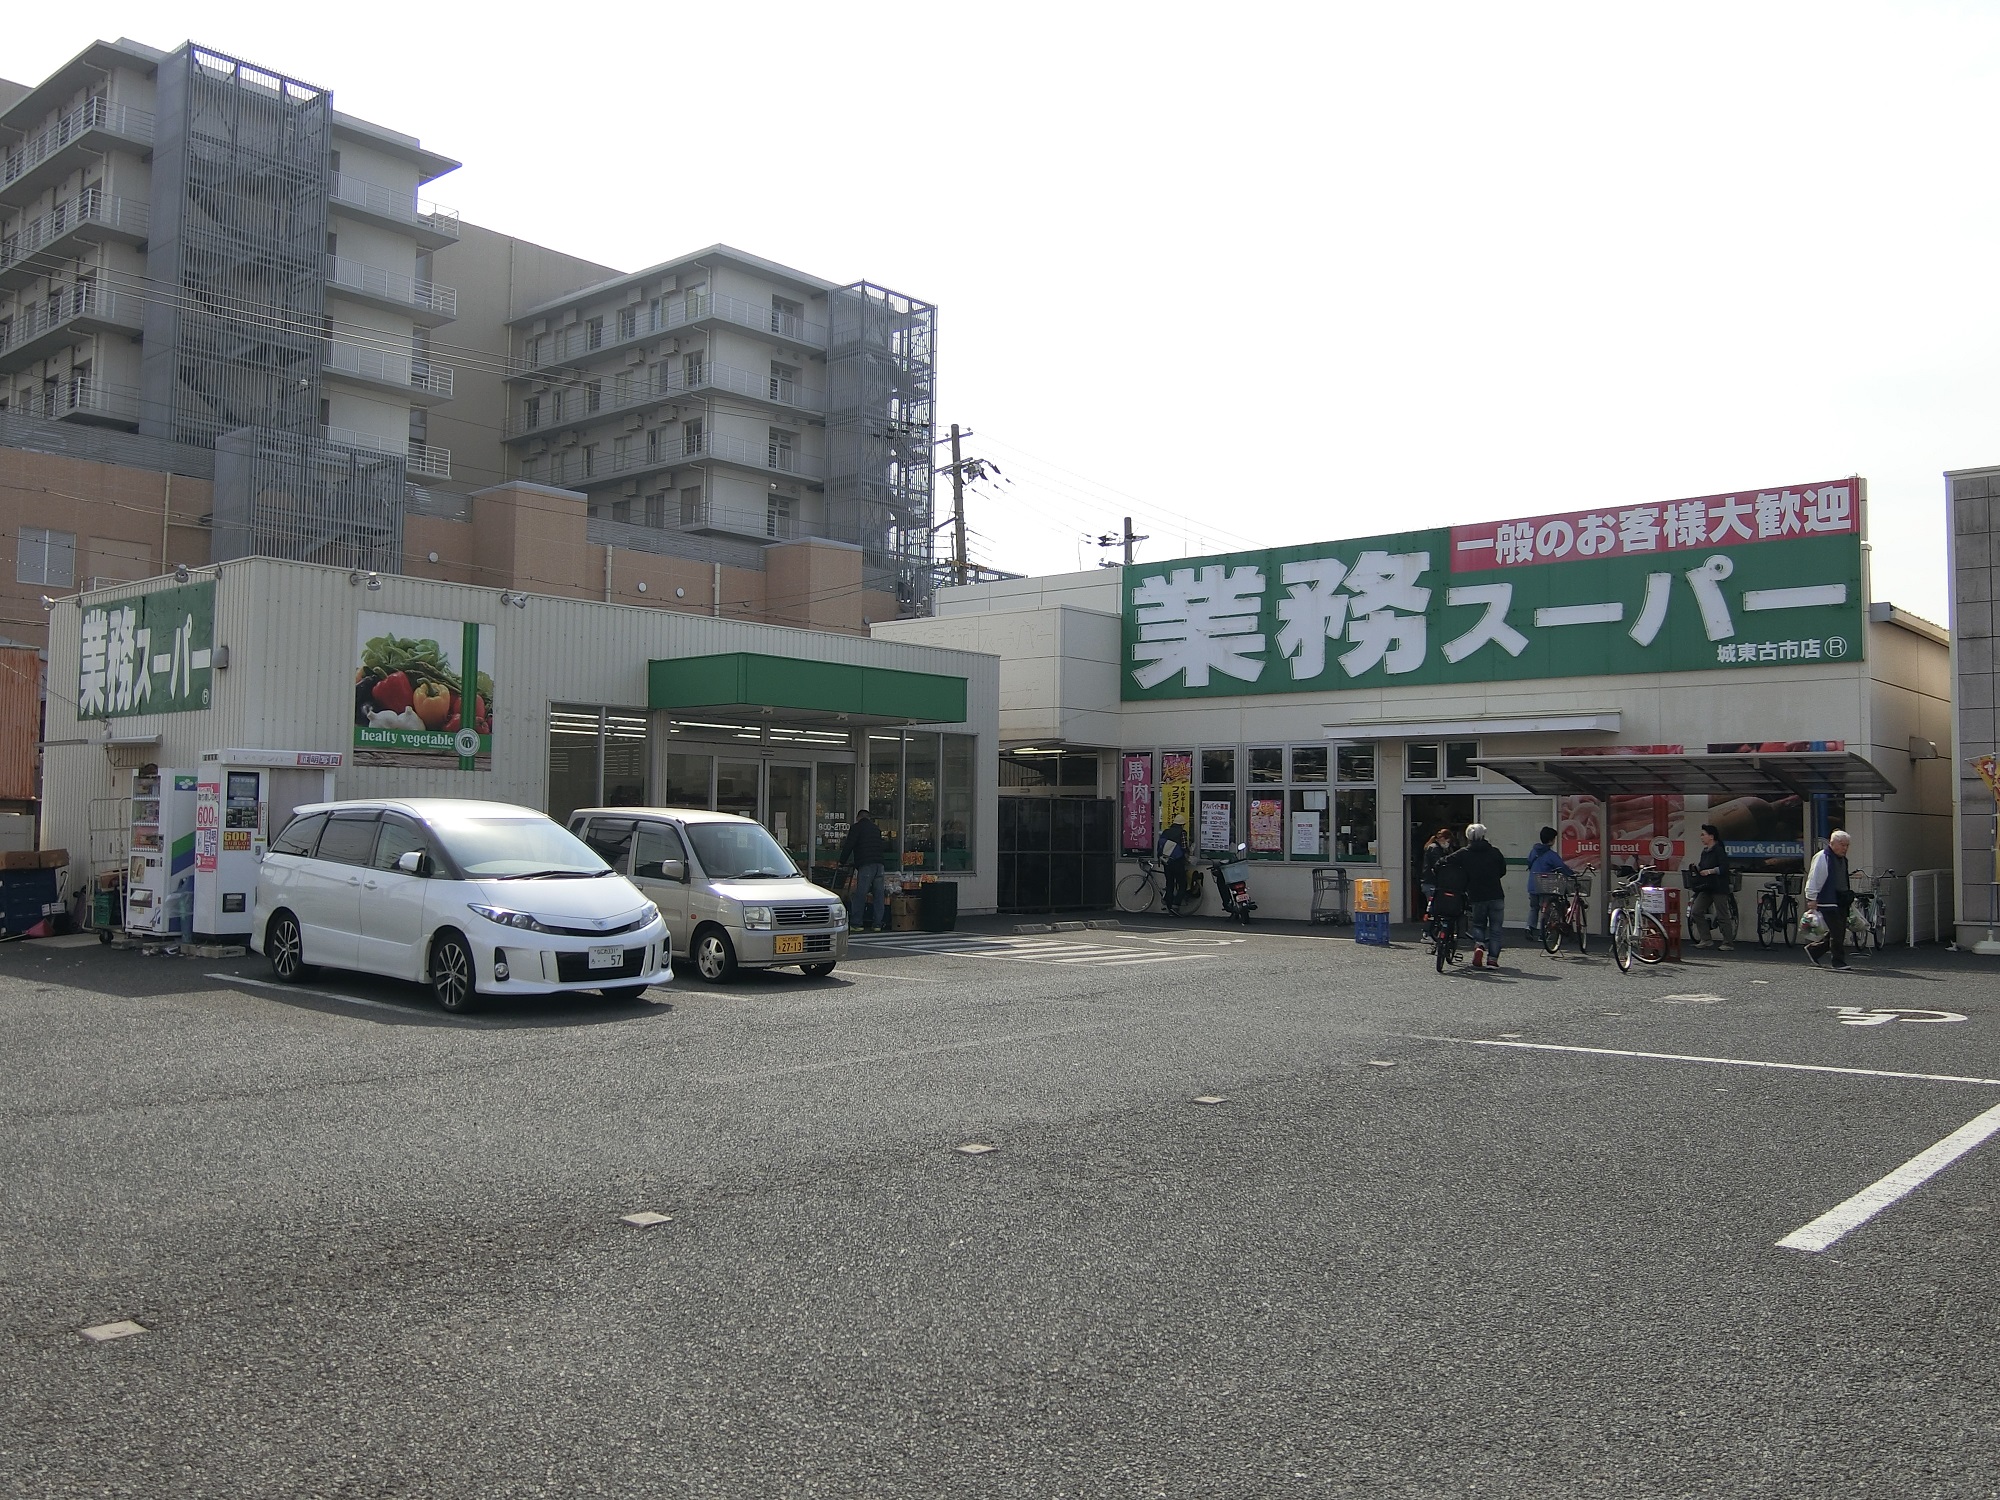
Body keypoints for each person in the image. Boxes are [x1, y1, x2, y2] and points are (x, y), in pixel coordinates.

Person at [1439, 823, 1509, 970]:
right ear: (1483, 835)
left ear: (1468, 837)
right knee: (1496, 929)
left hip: (1476, 895)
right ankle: (1492, 960)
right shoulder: (1494, 852)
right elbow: (1503, 870)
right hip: (1496, 894)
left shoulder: (1464, 853)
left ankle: (1479, 944)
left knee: (1478, 924)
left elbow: (1444, 862)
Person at [1804, 829, 1854, 972]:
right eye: (1842, 845)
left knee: (1838, 930)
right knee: (1837, 931)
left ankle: (1814, 950)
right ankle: (1838, 961)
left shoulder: (1843, 860)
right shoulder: (1823, 857)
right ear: (1832, 843)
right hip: (1827, 899)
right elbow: (1814, 878)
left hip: (1841, 899)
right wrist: (1811, 898)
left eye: (1847, 845)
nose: (1845, 848)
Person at [838, 807, 889, 932]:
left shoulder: (856, 828)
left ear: (858, 818)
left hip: (866, 864)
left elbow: (849, 845)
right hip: (879, 864)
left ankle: (857, 923)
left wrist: (842, 861)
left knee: (861, 893)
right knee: (878, 895)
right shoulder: (876, 829)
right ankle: (877, 924)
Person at [1687, 823, 1737, 950]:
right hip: (1707, 886)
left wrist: (1710, 871)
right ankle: (1706, 939)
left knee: (1722, 914)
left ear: (1711, 836)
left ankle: (1728, 942)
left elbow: (1724, 867)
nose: (1701, 837)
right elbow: (1702, 866)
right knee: (1696, 911)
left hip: (1719, 886)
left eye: (1703, 835)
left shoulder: (1719, 850)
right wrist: (1697, 869)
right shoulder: (1705, 852)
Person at [1525, 825, 1574, 936]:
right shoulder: (1551, 855)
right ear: (1551, 840)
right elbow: (1561, 867)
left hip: (1532, 884)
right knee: (1546, 909)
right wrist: (1572, 874)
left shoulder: (1533, 851)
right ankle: (1544, 933)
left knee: (1534, 908)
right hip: (1545, 885)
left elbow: (1529, 862)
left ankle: (1529, 928)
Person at [1157, 820, 1190, 914]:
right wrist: (1188, 854)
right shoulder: (1182, 832)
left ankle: (1169, 906)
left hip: (1166, 861)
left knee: (1169, 884)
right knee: (1182, 884)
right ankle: (1176, 904)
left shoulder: (1166, 832)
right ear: (1182, 824)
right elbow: (1184, 846)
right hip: (1177, 862)